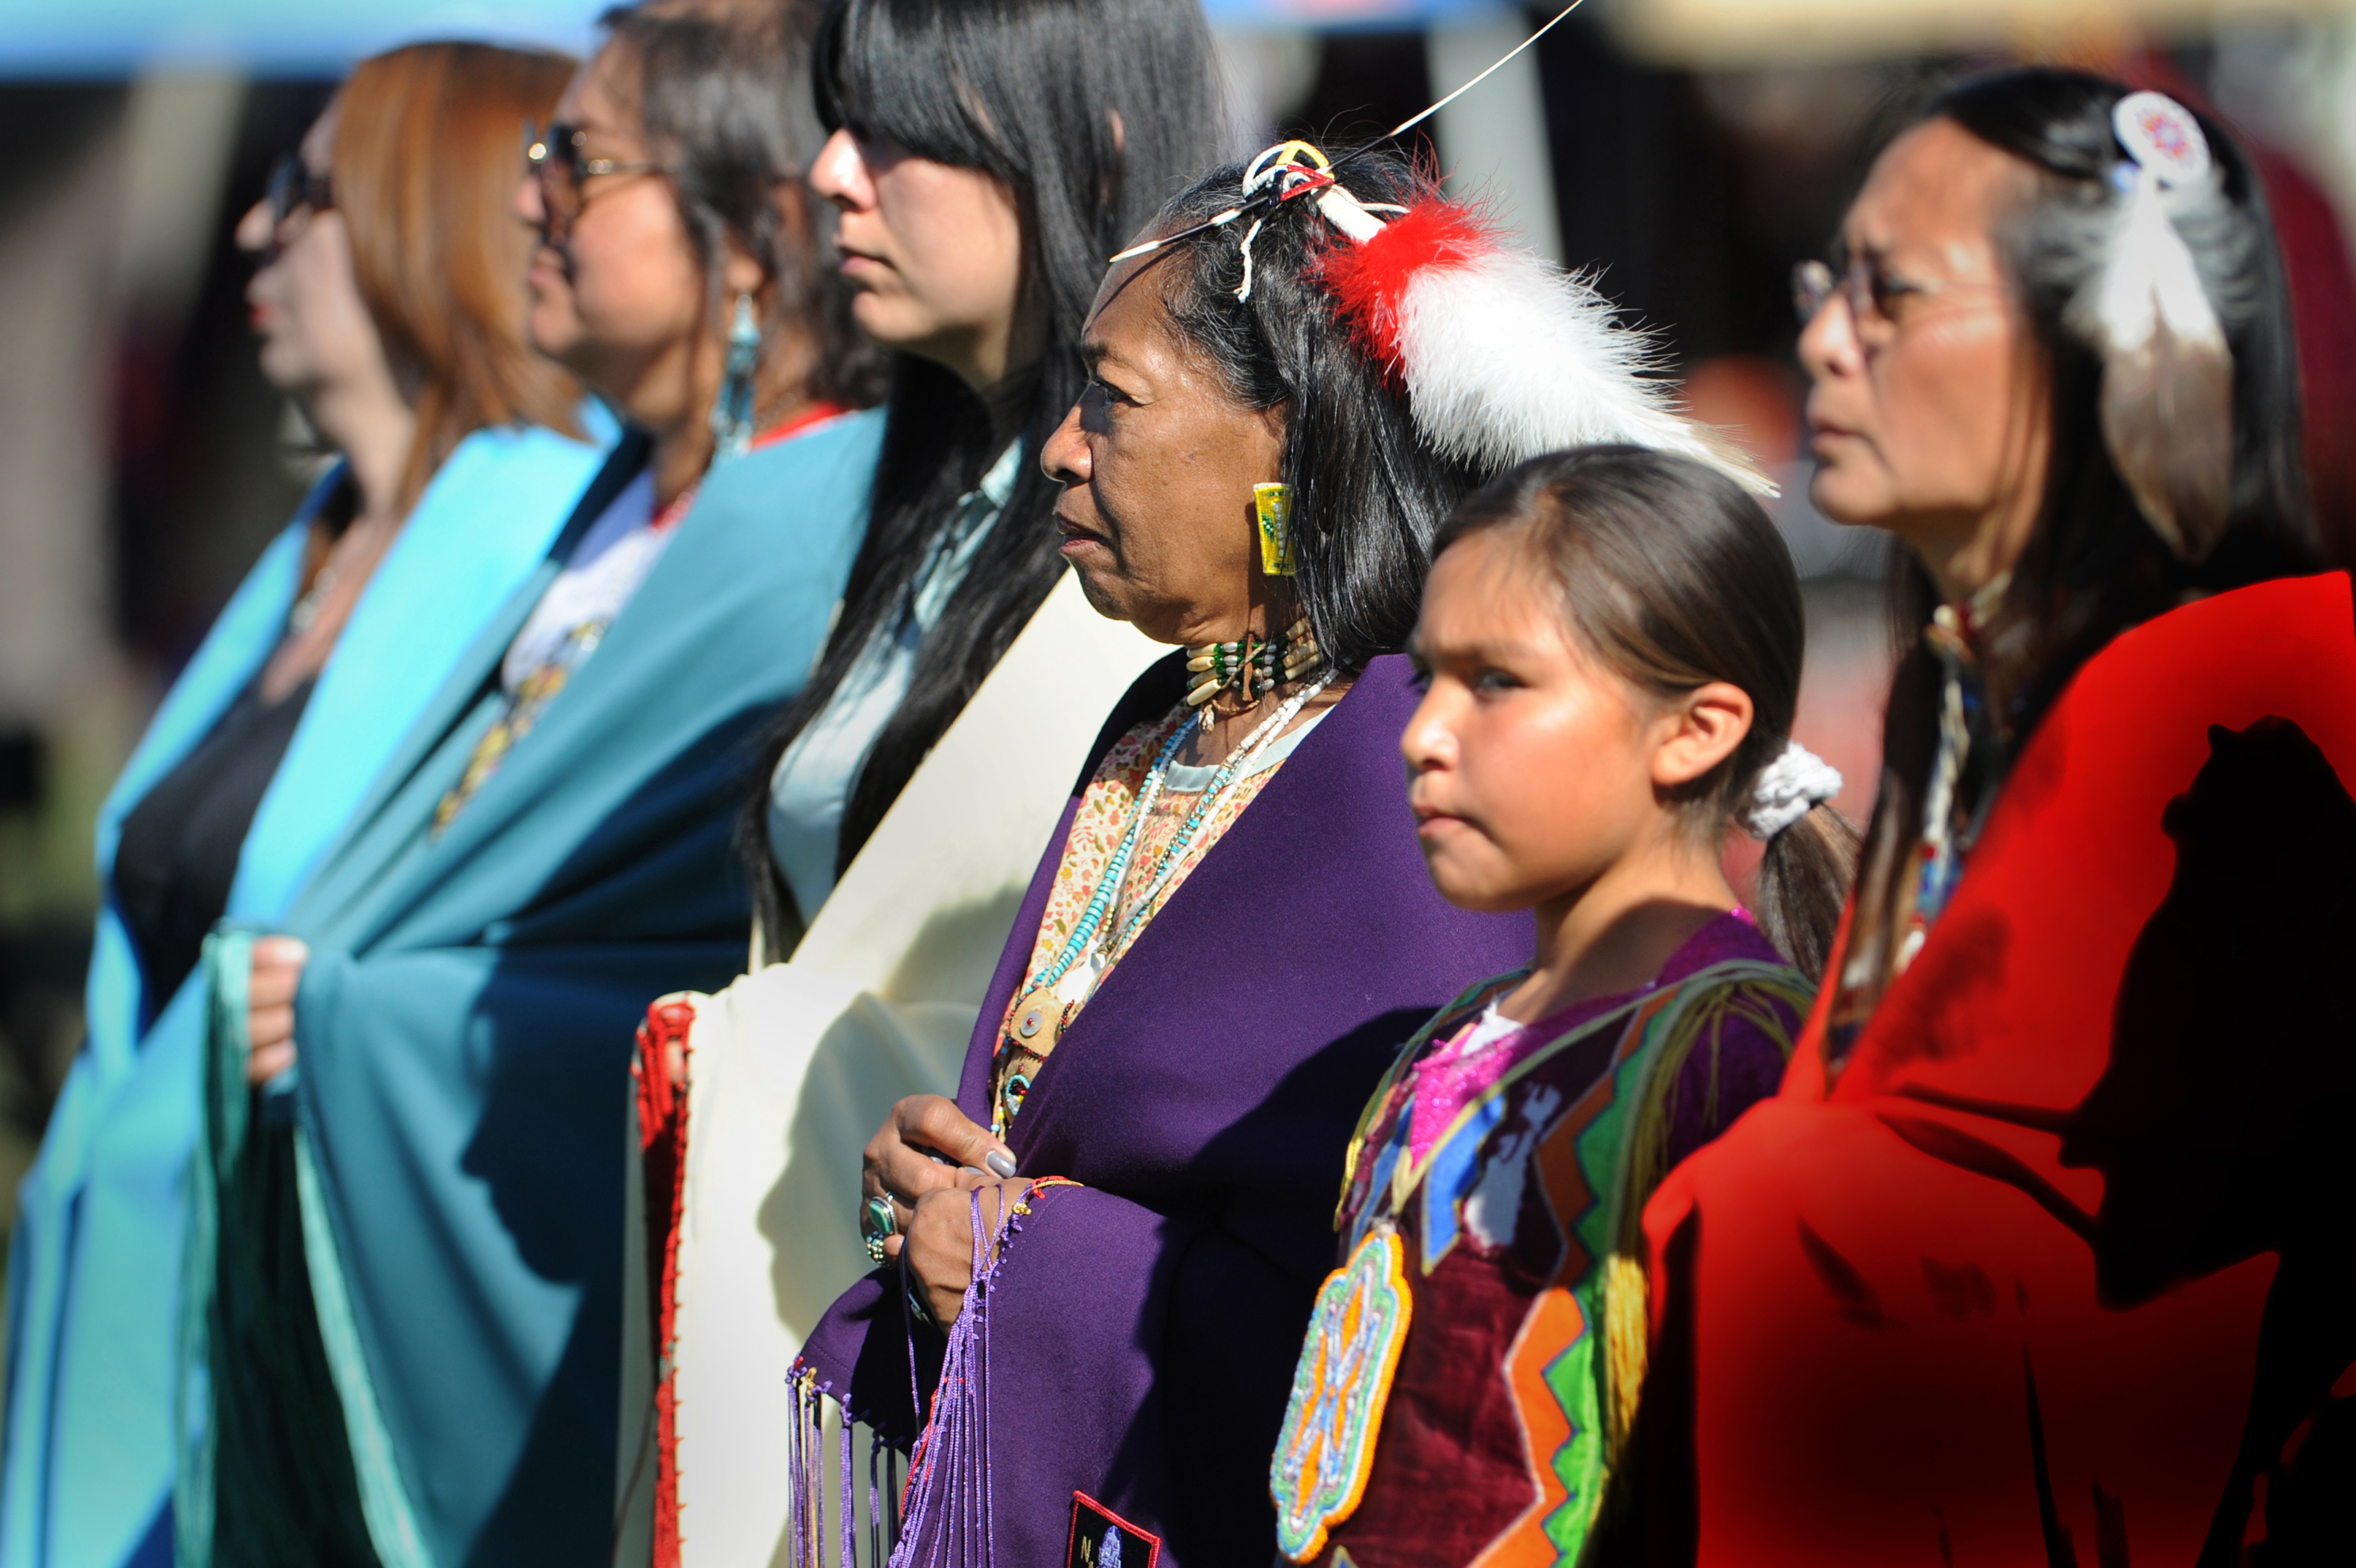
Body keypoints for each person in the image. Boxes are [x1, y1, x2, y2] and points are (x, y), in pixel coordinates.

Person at [790, 142, 1772, 1565]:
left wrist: (1022, 1263)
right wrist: (947, 1197)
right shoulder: (1157, 722)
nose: (1063, 445)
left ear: (1288, 442)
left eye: (1113, 402)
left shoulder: (1396, 779)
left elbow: (1402, 1308)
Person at [1617, 69, 2353, 1562]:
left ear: (2115, 343)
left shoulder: (2248, 688)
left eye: (1893, 294)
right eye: (1832, 279)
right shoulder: (1966, 683)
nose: (1822, 334)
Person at [183, 5, 886, 1563]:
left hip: (586, 1296)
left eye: (578, 162)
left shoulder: (831, 526)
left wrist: (373, 1010)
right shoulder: (601, 508)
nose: (529, 199)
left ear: (753, 233)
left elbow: (739, 963)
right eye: (532, 158)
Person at [0, 43, 607, 1568]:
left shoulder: (550, 549)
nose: (254, 233)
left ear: (434, 214)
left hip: (288, 1356)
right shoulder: (324, 537)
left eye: (308, 194)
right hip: (123, 1306)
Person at [622, 0, 1213, 1557]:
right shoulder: (928, 495)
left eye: (892, 130)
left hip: (999, 1381)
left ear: (1076, 143)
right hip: (831, 1313)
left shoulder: (1199, 576)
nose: (829, 173)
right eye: (836, 123)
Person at [1270, 448, 1843, 1568]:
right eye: (1430, 675)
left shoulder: (1735, 1060)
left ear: (1694, 727)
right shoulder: (1440, 1043)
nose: (1421, 733)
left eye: (1496, 681)